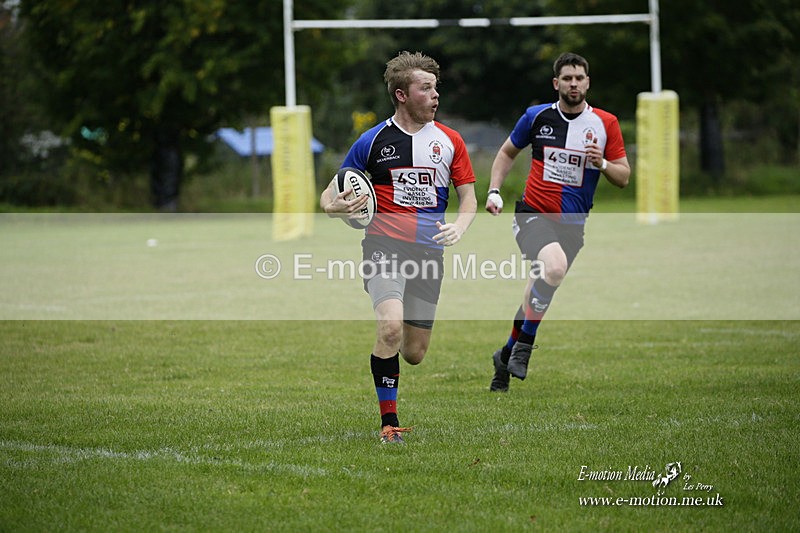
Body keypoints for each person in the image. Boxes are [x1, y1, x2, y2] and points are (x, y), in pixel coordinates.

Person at [320, 51, 477, 442]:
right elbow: (333, 190)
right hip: (383, 247)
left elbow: (468, 199)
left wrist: (459, 224)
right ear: (402, 95)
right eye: (427, 88)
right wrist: (332, 206)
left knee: (414, 352)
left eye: (436, 87)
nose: (436, 95)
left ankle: (394, 368)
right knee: (389, 328)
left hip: (429, 255)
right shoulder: (371, 141)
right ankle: (389, 424)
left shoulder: (450, 142)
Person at [485, 52, 630, 392]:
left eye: (579, 78)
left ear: (588, 82)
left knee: (537, 294)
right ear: (557, 83)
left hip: (572, 225)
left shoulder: (605, 124)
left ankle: (505, 356)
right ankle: (524, 350)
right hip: (533, 213)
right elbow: (507, 152)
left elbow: (623, 177)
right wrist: (493, 190)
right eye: (567, 78)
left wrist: (603, 163)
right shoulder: (537, 117)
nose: (574, 83)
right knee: (554, 269)